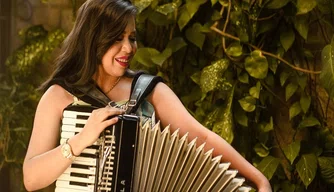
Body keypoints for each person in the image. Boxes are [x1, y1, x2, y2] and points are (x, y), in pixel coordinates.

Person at [22, 0, 272, 191]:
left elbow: (202, 138)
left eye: (132, 38)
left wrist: (259, 180)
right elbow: (31, 179)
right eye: (117, 39)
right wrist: (81, 140)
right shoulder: (60, 96)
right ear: (92, 40)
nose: (129, 48)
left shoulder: (149, 91)